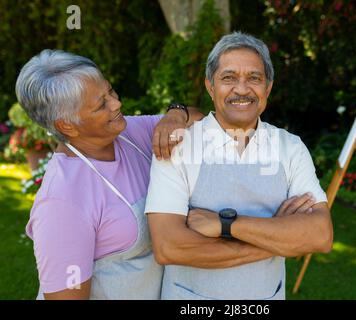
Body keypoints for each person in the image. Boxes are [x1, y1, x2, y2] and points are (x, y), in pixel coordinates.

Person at [145, 32, 333, 300]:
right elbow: (169, 247)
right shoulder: (179, 146)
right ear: (211, 87)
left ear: (267, 87)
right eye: (229, 78)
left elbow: (320, 235)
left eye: (254, 78)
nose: (242, 89)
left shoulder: (290, 148)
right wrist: (279, 239)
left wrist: (227, 225)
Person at [17, 49, 204, 299]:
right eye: (100, 104)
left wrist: (176, 114)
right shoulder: (62, 201)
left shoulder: (130, 135)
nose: (117, 103)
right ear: (66, 125)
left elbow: (199, 121)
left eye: (110, 91)